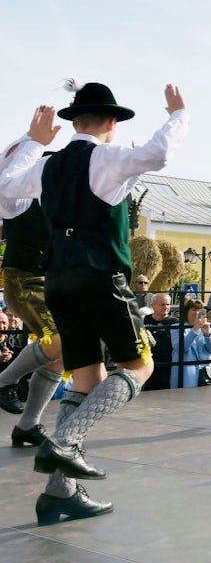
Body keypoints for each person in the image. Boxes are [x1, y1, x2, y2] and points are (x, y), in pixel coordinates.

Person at [0, 82, 188, 524]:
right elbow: (160, 153)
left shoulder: (49, 165)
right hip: (99, 276)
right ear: (110, 122)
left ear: (72, 122)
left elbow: (7, 189)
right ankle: (66, 442)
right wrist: (179, 114)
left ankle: (59, 492)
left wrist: (34, 141)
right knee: (140, 365)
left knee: (87, 374)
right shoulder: (106, 157)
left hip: (57, 278)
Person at [0, 131, 67, 441]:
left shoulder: (56, 205)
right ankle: (4, 380)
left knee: (62, 354)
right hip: (22, 281)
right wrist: (33, 137)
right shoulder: (19, 198)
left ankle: (28, 425)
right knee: (58, 342)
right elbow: (7, 163)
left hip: (46, 281)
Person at [144, 293, 180, 390]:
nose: (166, 307)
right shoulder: (145, 320)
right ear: (153, 305)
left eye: (167, 304)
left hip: (167, 367)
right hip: (148, 366)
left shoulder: (174, 322)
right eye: (162, 304)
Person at [180, 299, 211, 388]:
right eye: (193, 310)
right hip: (187, 372)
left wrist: (207, 334)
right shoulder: (178, 328)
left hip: (205, 373)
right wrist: (195, 330)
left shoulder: (206, 327)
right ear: (186, 312)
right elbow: (182, 348)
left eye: (199, 310)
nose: (196, 313)